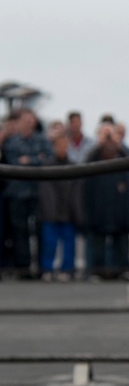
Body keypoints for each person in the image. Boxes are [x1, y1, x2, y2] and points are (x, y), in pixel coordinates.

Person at [83, 120, 129, 280]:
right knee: (98, 243)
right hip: (99, 208)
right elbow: (86, 164)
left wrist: (117, 144)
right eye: (104, 134)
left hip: (119, 208)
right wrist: (100, 144)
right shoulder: (93, 157)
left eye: (111, 134)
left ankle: (122, 270)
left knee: (121, 242)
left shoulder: (124, 155)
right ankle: (96, 271)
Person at [0, 109, 51, 278]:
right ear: (20, 122)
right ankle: (24, 268)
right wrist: (37, 159)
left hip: (37, 192)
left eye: (32, 120)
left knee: (39, 230)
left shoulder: (42, 140)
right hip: (17, 193)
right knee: (19, 231)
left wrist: (29, 160)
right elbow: (14, 162)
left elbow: (48, 160)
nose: (29, 123)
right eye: (26, 120)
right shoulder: (12, 142)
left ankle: (40, 268)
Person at [37, 127, 85, 281]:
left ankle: (67, 270)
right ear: (54, 146)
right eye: (60, 145)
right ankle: (47, 269)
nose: (63, 148)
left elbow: (77, 192)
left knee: (69, 245)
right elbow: (45, 192)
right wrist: (48, 210)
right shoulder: (47, 165)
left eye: (65, 145)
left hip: (68, 211)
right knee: (49, 243)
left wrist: (76, 212)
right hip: (51, 212)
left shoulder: (73, 166)